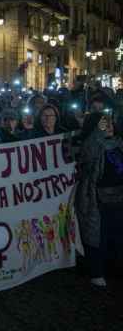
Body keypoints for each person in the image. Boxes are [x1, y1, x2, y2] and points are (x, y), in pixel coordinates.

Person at [75, 112, 123, 287]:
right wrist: (98, 133)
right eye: (103, 123)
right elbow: (88, 154)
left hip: (119, 196)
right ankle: (96, 271)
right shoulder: (93, 144)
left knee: (117, 234)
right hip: (97, 198)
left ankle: (115, 266)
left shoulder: (118, 142)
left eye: (110, 123)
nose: (108, 126)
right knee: (96, 236)